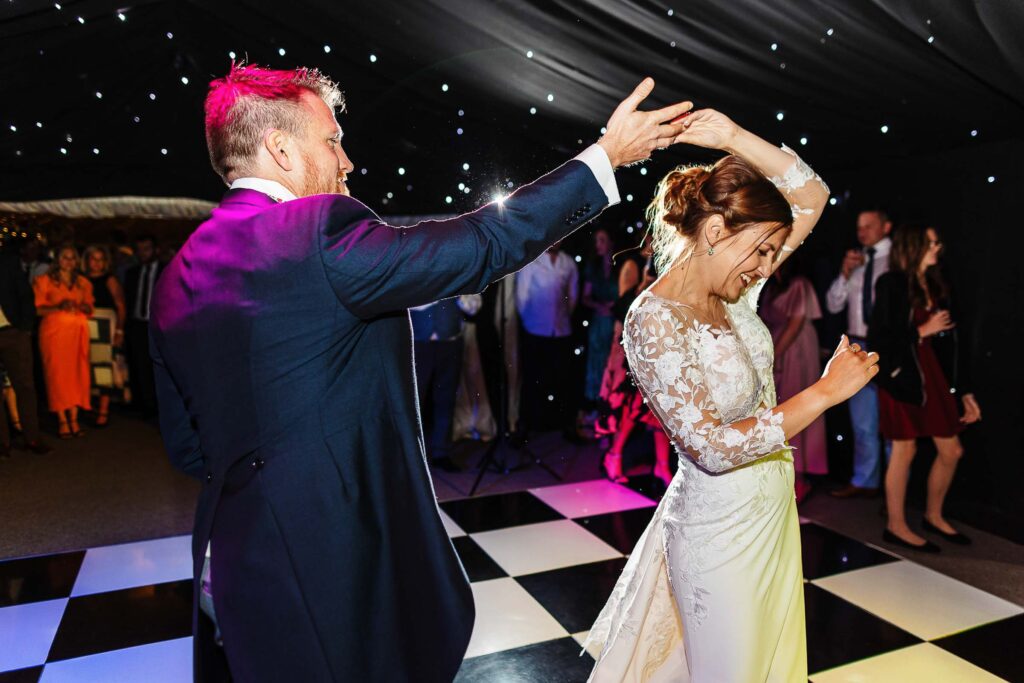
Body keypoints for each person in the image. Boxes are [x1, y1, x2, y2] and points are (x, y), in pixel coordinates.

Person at [149, 63, 693, 682]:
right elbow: (484, 243)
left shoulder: (179, 272)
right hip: (334, 553)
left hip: (233, 556)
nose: (347, 160)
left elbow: (188, 446)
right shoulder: (316, 233)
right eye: (331, 140)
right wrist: (606, 156)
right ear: (281, 149)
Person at [585, 109, 876, 681]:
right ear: (715, 232)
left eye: (772, 252)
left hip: (772, 514)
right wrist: (822, 393)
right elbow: (710, 448)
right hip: (719, 537)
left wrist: (735, 139)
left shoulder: (738, 290)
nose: (768, 265)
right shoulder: (653, 320)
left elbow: (811, 195)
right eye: (763, 251)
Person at [869, 223, 981, 552]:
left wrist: (964, 391)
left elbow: (955, 345)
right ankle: (896, 525)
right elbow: (880, 340)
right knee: (905, 450)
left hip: (932, 374)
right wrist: (921, 331)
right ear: (913, 245)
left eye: (937, 242)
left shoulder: (935, 283)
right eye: (930, 242)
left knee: (952, 450)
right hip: (902, 377)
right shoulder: (891, 283)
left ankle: (934, 516)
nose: (937, 248)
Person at [826, 209, 892, 497]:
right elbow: (832, 305)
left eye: (869, 226)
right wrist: (845, 273)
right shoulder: (856, 262)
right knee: (862, 422)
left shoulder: (896, 262)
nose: (862, 232)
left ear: (886, 227)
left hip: (889, 346)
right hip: (858, 345)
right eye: (859, 226)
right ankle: (865, 482)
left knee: (892, 421)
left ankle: (894, 486)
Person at [760, 256, 828, 501]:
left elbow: (796, 323)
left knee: (796, 406)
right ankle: (782, 473)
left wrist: (776, 355)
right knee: (780, 410)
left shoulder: (799, 284)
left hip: (796, 349)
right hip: (778, 345)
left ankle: (800, 477)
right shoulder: (772, 285)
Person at [515, 241, 581, 443]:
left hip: (561, 330)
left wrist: (562, 319)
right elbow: (521, 298)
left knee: (563, 381)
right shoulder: (532, 262)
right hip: (535, 330)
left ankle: (566, 426)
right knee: (532, 381)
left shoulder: (568, 263)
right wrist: (531, 323)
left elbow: (573, 295)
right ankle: (525, 427)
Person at [410, 294, 481, 471]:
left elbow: (474, 306)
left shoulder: (456, 268)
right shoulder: (412, 267)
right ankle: (412, 455)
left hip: (450, 342)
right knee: (415, 400)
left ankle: (441, 452)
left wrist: (462, 298)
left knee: (446, 399)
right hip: (419, 343)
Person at [33, 245, 94, 438]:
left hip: (77, 333)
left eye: (72, 258)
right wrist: (58, 306)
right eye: (64, 257)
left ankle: (74, 419)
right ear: (57, 259)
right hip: (54, 335)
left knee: (77, 373)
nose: (68, 261)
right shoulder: (43, 281)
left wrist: (84, 307)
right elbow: (36, 309)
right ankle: (62, 419)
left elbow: (90, 305)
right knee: (57, 375)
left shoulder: (83, 282)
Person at [0, 247, 51, 458]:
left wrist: (26, 328)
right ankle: (2, 444)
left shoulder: (6, 261)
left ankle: (32, 437)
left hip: (13, 332)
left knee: (25, 386)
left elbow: (25, 294)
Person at [83, 246, 127, 427]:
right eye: (93, 259)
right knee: (87, 366)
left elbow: (121, 306)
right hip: (86, 325)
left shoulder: (110, 280)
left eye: (100, 259)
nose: (97, 263)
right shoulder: (81, 279)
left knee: (104, 367)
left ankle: (103, 410)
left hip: (105, 325)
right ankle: (89, 405)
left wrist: (119, 330)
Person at [123, 234, 164, 417]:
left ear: (156, 250)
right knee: (137, 363)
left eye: (146, 249)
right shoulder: (132, 272)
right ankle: (141, 404)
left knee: (158, 366)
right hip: (137, 324)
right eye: (139, 250)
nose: (142, 253)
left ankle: (158, 405)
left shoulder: (167, 271)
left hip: (159, 326)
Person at [582, 228, 619, 405]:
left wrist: (615, 305)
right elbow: (585, 297)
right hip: (599, 320)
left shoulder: (620, 266)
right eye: (597, 241)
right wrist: (600, 306)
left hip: (616, 321)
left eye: (602, 240)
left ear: (611, 242)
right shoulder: (593, 266)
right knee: (597, 361)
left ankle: (611, 404)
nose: (599, 245)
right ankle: (596, 404)